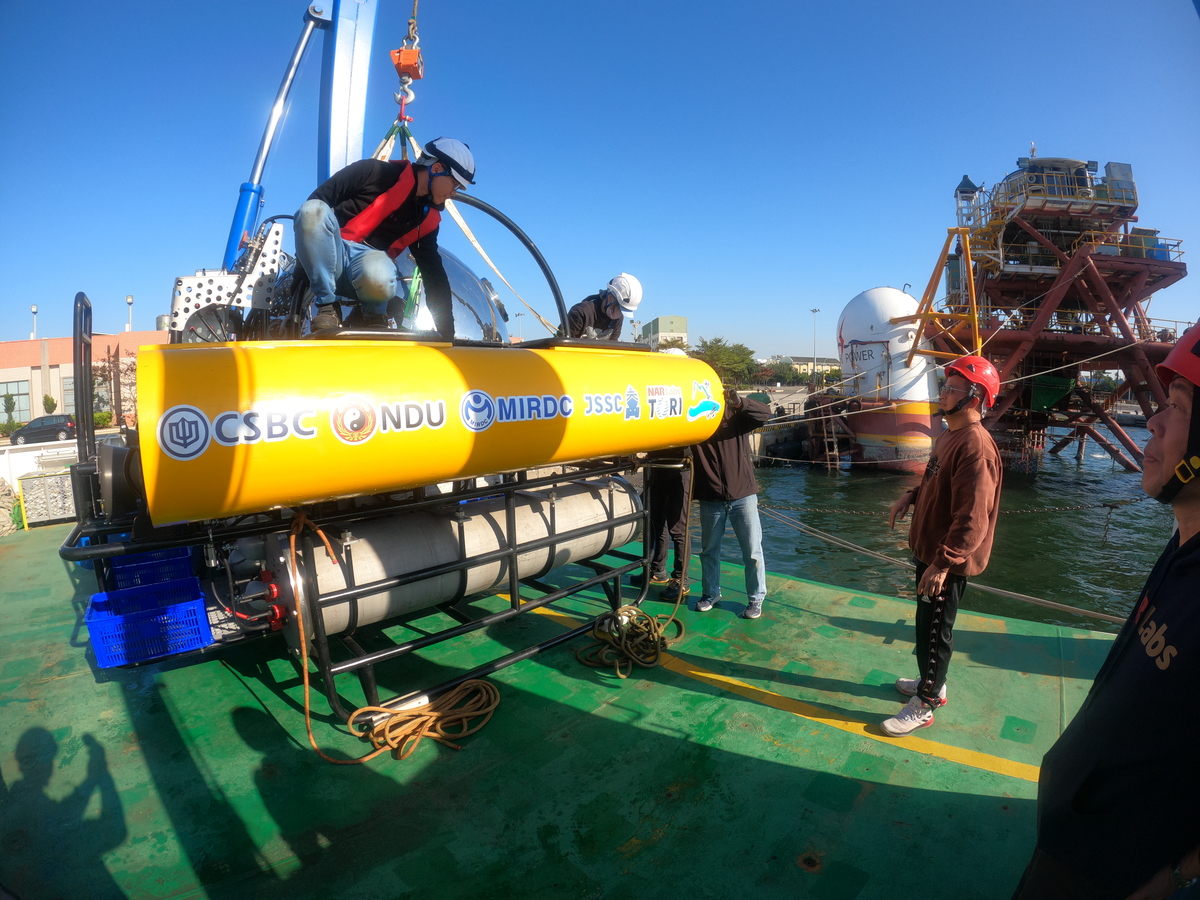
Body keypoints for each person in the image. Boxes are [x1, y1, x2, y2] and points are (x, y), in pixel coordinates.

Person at [1011, 328, 1200, 900]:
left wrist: (1176, 877)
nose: (1154, 424)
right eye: (1163, 403)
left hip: (1115, 873)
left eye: (1180, 409)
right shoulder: (1183, 545)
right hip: (1074, 837)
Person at [883, 355, 1002, 737]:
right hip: (931, 553)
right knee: (924, 626)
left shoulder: (976, 448)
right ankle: (930, 682)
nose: (944, 392)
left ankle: (927, 702)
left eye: (953, 388)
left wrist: (943, 564)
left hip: (945, 561)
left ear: (975, 398)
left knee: (936, 632)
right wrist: (912, 496)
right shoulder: (951, 435)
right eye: (946, 385)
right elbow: (938, 482)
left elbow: (972, 518)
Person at [293, 137, 476, 337]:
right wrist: (301, 275)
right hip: (330, 259)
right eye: (455, 184)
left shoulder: (427, 220)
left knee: (378, 267)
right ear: (438, 168)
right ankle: (327, 307)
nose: (454, 193)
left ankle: (375, 316)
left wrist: (446, 334)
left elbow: (434, 276)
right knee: (312, 210)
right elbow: (314, 211)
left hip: (369, 275)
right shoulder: (370, 172)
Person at [691, 388, 772, 619]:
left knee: (752, 551)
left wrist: (740, 403)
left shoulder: (734, 417)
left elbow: (764, 414)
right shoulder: (693, 424)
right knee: (708, 551)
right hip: (710, 497)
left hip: (743, 495)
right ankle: (710, 593)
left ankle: (756, 599)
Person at [633, 446, 693, 602]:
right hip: (657, 467)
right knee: (656, 523)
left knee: (678, 528)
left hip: (679, 468)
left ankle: (681, 580)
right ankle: (658, 570)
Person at [565, 273, 642, 340]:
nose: (620, 314)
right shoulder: (581, 313)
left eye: (624, 311)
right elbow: (561, 345)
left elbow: (612, 346)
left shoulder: (618, 318)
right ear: (610, 298)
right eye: (620, 308)